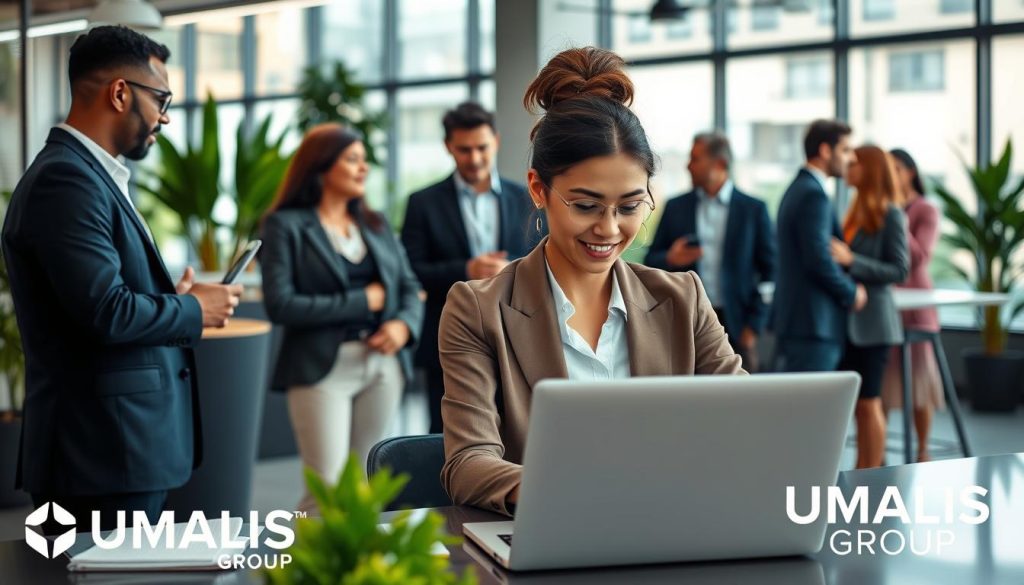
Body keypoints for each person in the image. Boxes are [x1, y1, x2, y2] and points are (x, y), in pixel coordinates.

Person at [439, 47, 744, 516]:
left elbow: (746, 420)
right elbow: (468, 463)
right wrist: (576, 490)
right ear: (538, 189)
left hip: (674, 524)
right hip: (554, 528)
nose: (609, 228)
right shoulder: (479, 309)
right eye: (585, 206)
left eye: (630, 206)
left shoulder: (682, 297)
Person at [0, 26, 241, 532]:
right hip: (100, 454)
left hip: (115, 450)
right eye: (161, 99)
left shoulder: (89, 176)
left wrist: (170, 299)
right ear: (119, 93)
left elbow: (96, 299)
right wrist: (194, 309)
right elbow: (105, 312)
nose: (165, 116)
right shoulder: (66, 180)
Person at [261, 124, 423, 514]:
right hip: (321, 370)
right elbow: (281, 305)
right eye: (352, 159)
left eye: (364, 160)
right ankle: (308, 557)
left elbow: (409, 286)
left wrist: (403, 326)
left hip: (384, 366)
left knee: (366, 485)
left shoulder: (375, 224)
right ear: (321, 166)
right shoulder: (285, 226)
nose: (363, 168)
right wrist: (361, 300)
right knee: (326, 490)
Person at [401, 101, 539, 434]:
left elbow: (545, 259)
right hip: (447, 336)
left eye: (482, 148)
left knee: (516, 430)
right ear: (448, 147)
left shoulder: (527, 198)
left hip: (515, 334)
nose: (475, 158)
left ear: (496, 141)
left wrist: (511, 268)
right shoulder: (422, 203)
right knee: (445, 433)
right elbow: (410, 271)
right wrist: (467, 269)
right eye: (464, 150)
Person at [644, 131, 775, 371]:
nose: (688, 166)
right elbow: (649, 261)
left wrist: (754, 326)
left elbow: (772, 273)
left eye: (695, 159)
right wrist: (670, 258)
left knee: (741, 393)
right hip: (685, 324)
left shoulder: (754, 210)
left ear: (720, 164)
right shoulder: (675, 207)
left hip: (738, 325)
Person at [829, 145, 909, 469]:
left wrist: (853, 260)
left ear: (870, 170)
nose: (848, 166)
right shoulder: (853, 211)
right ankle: (862, 468)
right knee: (858, 405)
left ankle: (870, 472)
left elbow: (899, 269)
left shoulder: (891, 214)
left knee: (869, 402)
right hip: (851, 322)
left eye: (855, 163)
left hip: (875, 324)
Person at [774, 120, 867, 372]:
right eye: (845, 150)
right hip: (813, 324)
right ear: (825, 150)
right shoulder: (812, 195)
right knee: (811, 398)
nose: (852, 158)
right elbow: (818, 260)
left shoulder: (798, 189)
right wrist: (852, 293)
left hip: (801, 323)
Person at [880, 148, 943, 462]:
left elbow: (920, 257)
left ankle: (922, 450)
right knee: (882, 381)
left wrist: (898, 221)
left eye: (896, 169)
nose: (890, 175)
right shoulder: (881, 206)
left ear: (910, 172)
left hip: (916, 307)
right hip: (886, 306)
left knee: (919, 381)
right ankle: (877, 452)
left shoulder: (925, 209)